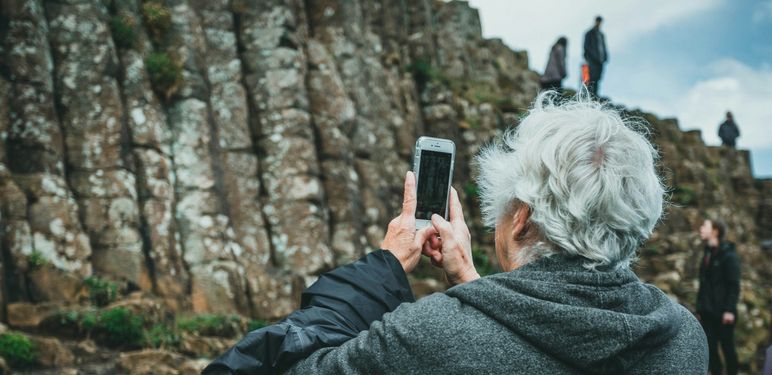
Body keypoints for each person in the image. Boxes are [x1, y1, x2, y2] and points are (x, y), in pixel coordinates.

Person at [203, 92, 708, 374]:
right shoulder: (682, 338)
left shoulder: (429, 336)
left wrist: (378, 272)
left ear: (522, 219)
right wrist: (474, 285)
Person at [697, 218, 741, 375]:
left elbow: (733, 285)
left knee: (728, 349)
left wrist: (729, 310)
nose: (701, 228)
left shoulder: (728, 255)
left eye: (704, 226)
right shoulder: (707, 253)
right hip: (708, 313)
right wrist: (700, 308)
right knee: (711, 350)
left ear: (715, 231)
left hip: (724, 313)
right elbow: (704, 285)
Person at [583, 16, 608, 97]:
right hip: (592, 60)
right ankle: (588, 96)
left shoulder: (601, 35)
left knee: (598, 79)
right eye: (598, 21)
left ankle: (595, 96)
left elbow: (604, 47)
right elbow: (586, 47)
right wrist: (592, 57)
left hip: (600, 61)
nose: (599, 23)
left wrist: (605, 57)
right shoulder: (589, 33)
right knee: (590, 78)